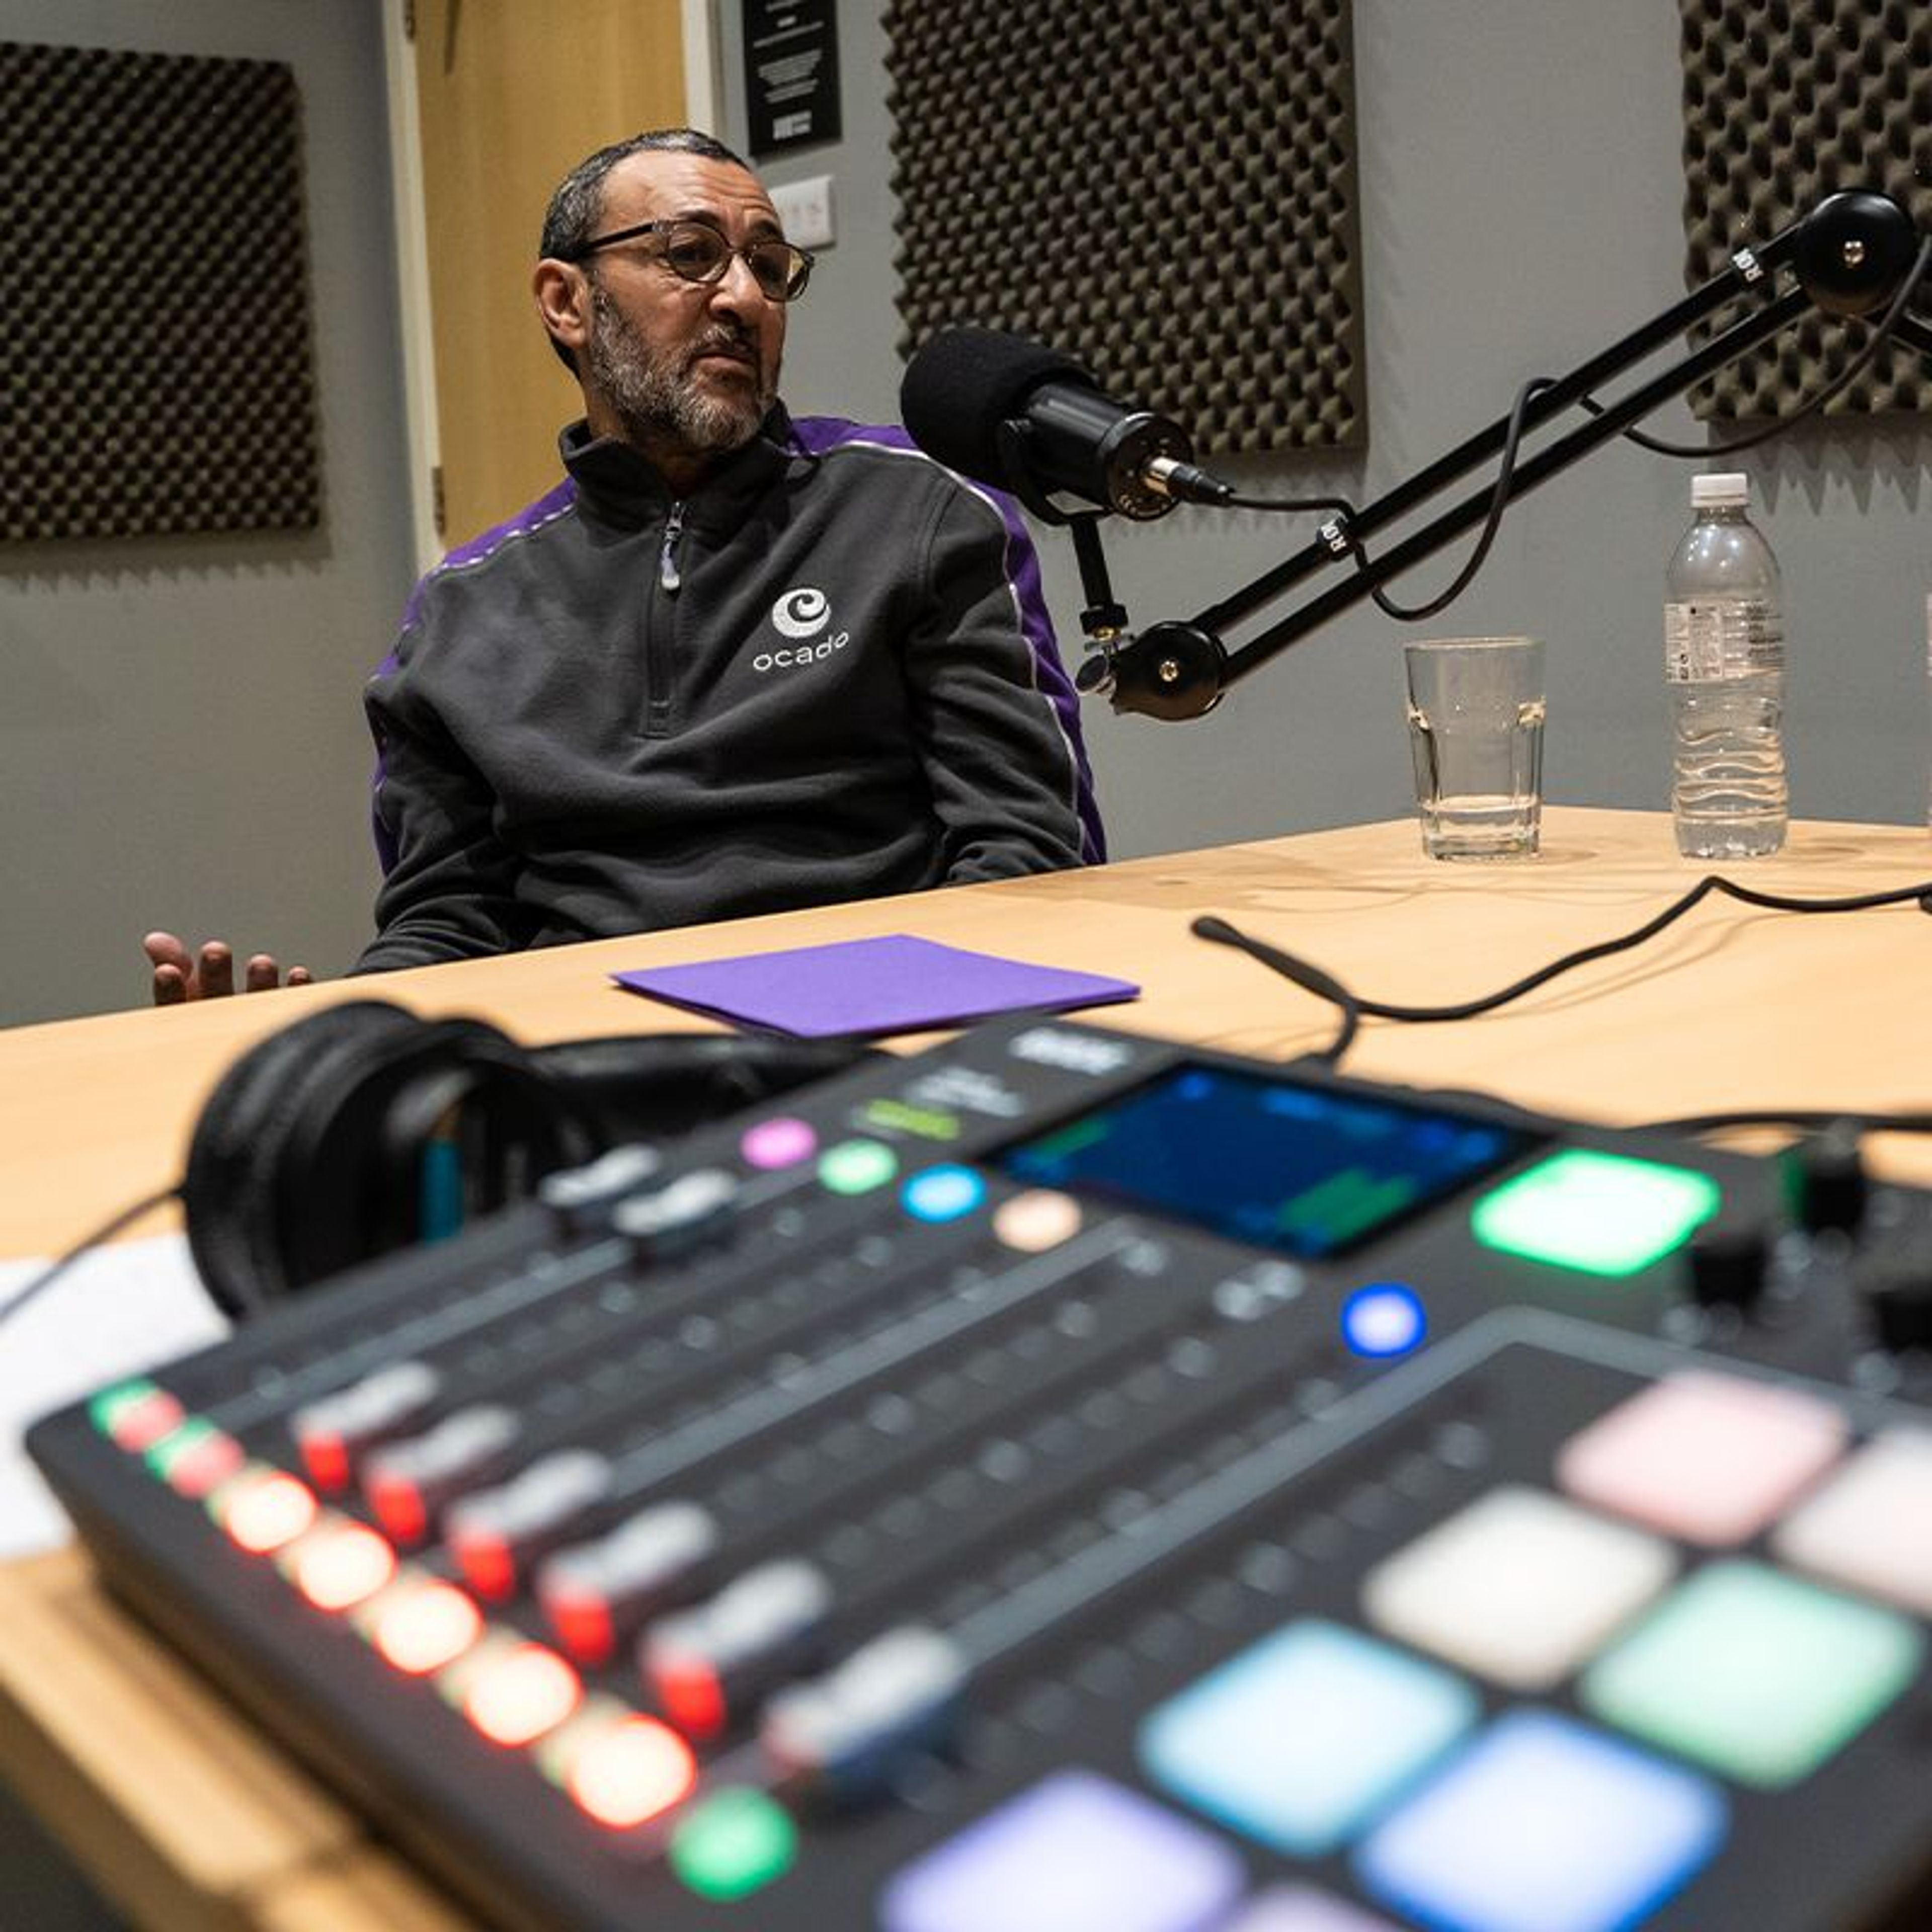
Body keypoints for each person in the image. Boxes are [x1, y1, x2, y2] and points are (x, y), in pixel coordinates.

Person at [147, 126, 1101, 1003]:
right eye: (691, 256)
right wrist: (338, 1032)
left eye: (768, 268)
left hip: (869, 1037)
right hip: (580, 1067)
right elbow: (446, 922)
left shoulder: (919, 511)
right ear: (567, 301)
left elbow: (1030, 851)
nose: (742, 299)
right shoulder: (461, 610)